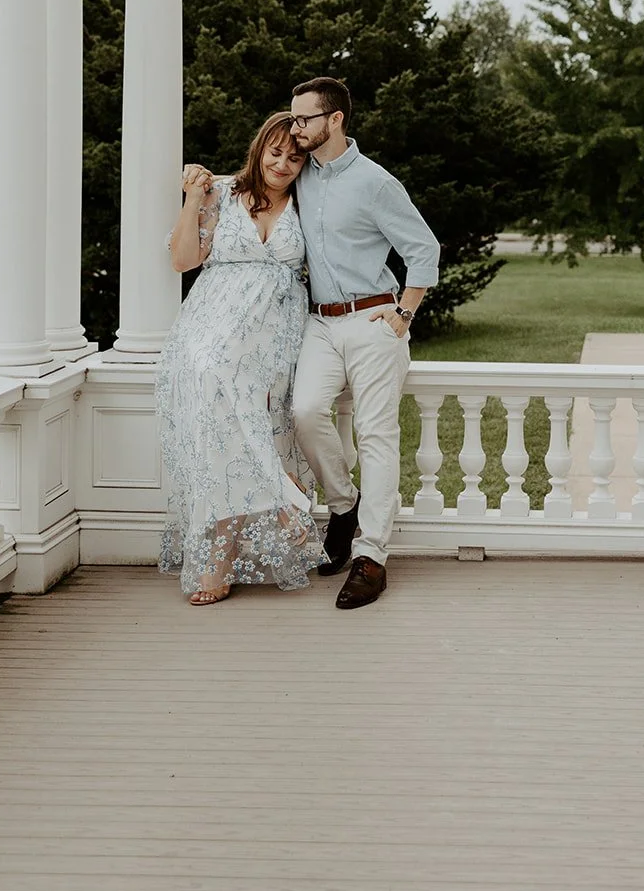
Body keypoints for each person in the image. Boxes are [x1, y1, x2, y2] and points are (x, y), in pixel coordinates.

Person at [156, 112, 325, 605]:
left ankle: (226, 555)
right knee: (216, 400)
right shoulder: (221, 192)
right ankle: (286, 500)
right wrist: (192, 199)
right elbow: (183, 260)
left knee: (238, 426)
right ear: (259, 149)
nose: (283, 163)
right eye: (275, 152)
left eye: (295, 156)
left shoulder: (309, 202)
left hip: (277, 331)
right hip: (213, 324)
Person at [290, 77, 440, 609]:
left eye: (304, 118)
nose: (295, 127)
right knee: (305, 411)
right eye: (292, 118)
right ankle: (343, 505)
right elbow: (252, 183)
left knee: (377, 433)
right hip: (321, 325)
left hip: (376, 321)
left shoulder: (377, 183)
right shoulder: (300, 173)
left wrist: (404, 314)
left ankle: (371, 556)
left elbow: (424, 250)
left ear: (335, 120)